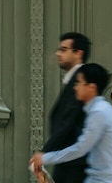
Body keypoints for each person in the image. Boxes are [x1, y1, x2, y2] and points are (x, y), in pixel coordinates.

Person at [31, 64, 112, 183]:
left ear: (91, 87)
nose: (75, 87)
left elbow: (80, 148)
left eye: (79, 82)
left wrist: (45, 158)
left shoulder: (99, 112)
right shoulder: (99, 110)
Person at [38, 32, 91, 182]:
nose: (57, 54)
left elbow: (68, 120)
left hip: (76, 163)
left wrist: (44, 154)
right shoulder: (75, 78)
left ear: (78, 53)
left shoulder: (81, 82)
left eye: (63, 49)